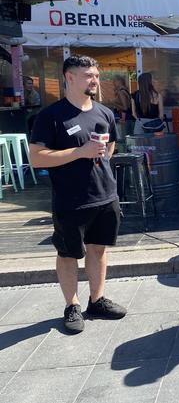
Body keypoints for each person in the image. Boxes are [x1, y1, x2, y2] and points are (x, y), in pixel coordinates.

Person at [28, 55, 127, 334]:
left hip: (105, 196)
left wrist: (96, 163)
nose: (94, 80)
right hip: (70, 200)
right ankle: (72, 305)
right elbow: (37, 158)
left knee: (98, 248)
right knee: (69, 254)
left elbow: (110, 147)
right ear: (69, 78)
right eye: (88, 75)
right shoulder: (51, 116)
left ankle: (97, 300)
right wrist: (80, 153)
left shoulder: (104, 113)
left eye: (96, 75)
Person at [112, 75, 134, 141]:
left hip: (125, 119)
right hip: (127, 118)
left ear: (119, 82)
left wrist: (114, 103)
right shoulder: (125, 90)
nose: (113, 83)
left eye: (114, 81)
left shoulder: (121, 92)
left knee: (124, 140)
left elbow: (125, 107)